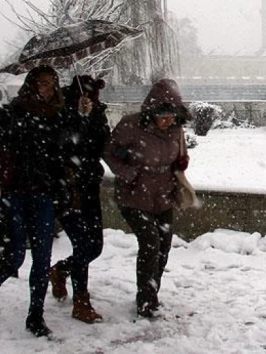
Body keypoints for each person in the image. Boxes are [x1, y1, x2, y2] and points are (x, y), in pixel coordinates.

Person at [0, 65, 70, 338]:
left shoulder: (57, 117)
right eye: (41, 83)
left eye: (51, 84)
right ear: (30, 84)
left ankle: (35, 315)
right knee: (14, 255)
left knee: (42, 257)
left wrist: (84, 112)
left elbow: (64, 153)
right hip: (12, 193)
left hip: (43, 194)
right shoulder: (8, 113)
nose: (46, 89)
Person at [104, 78, 191, 318]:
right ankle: (145, 299)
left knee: (164, 245)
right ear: (151, 112)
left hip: (163, 195)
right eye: (163, 116)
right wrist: (129, 173)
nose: (167, 121)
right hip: (134, 195)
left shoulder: (175, 129)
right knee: (150, 242)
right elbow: (109, 151)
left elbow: (180, 156)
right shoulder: (130, 125)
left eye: (172, 117)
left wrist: (181, 166)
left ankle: (152, 292)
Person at [49, 75, 110, 324]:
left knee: (95, 246)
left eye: (93, 96)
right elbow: (57, 147)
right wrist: (75, 118)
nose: (89, 100)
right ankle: (81, 302)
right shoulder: (59, 114)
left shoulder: (97, 115)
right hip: (66, 191)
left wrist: (91, 118)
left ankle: (61, 269)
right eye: (85, 95)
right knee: (83, 244)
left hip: (90, 188)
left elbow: (102, 145)